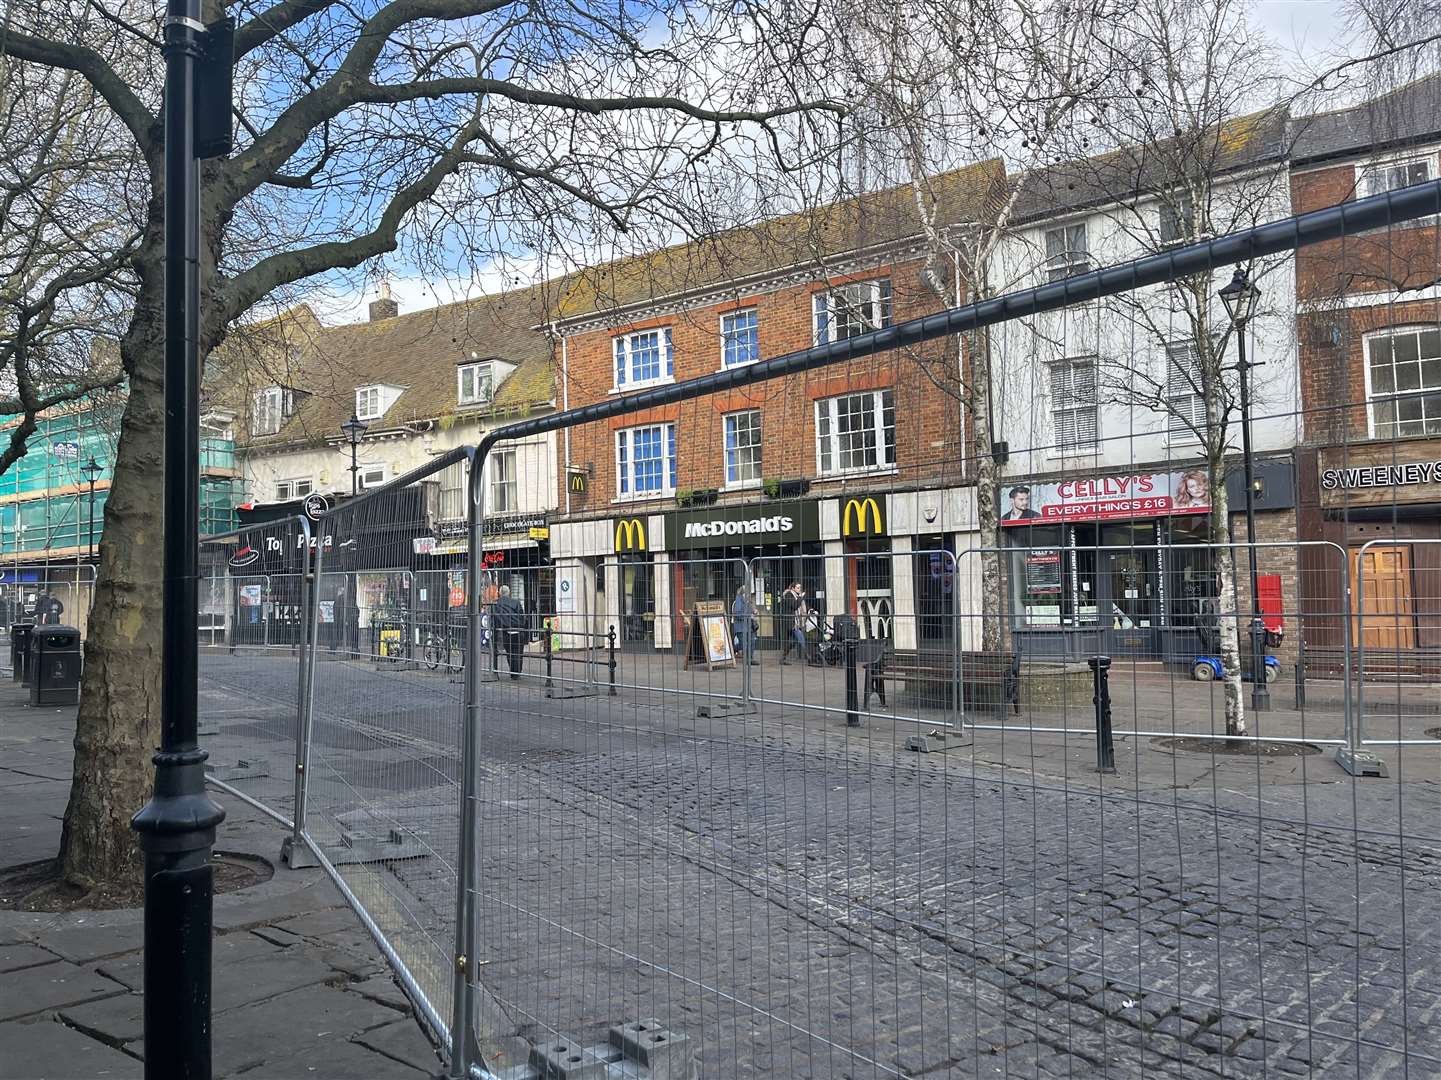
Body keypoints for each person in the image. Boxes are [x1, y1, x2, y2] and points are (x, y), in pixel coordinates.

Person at [492, 585, 527, 679]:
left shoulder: (496, 604)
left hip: (506, 631)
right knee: (518, 652)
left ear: (499, 593)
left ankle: (513, 672)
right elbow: (522, 617)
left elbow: (495, 619)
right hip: (518, 631)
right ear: (509, 593)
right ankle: (517, 672)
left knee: (510, 653)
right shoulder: (516, 602)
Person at [778, 582, 811, 665]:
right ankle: (809, 658)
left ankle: (783, 658)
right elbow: (794, 606)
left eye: (800, 588)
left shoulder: (795, 596)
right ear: (792, 588)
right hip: (790, 622)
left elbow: (799, 606)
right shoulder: (789, 595)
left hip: (794, 621)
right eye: (797, 588)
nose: (799, 589)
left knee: (793, 641)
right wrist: (800, 597)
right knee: (801, 638)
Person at [732, 586, 759, 665]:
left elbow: (749, 611)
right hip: (741, 627)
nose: (750, 594)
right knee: (744, 644)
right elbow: (737, 614)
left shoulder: (748, 601)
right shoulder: (738, 600)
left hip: (749, 626)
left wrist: (754, 611)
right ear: (744, 593)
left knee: (752, 641)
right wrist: (749, 615)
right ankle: (733, 650)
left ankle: (750, 659)